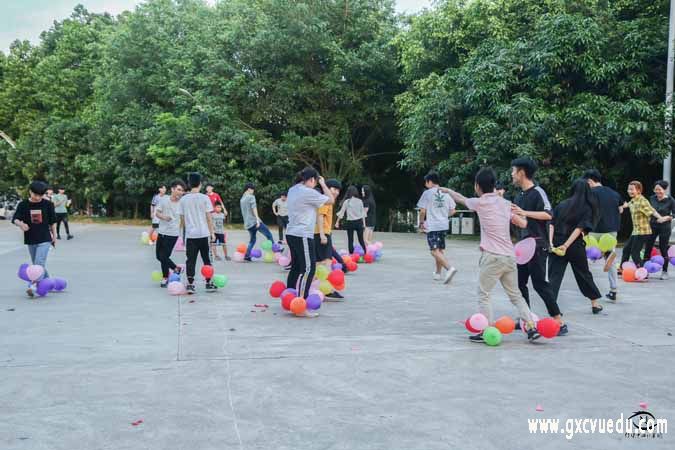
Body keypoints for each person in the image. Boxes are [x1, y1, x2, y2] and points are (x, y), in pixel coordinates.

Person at [438, 168, 540, 343]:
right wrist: (519, 212)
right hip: (509, 256)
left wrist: (447, 190)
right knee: (515, 295)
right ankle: (531, 327)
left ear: (478, 186)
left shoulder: (480, 203)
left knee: (484, 294)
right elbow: (523, 224)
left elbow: (460, 199)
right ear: (494, 185)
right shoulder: (506, 204)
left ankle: (486, 330)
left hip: (492, 256)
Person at [510, 158, 566, 334]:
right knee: (519, 284)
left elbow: (548, 215)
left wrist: (524, 212)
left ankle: (559, 320)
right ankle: (526, 319)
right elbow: (521, 222)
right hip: (522, 247)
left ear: (521, 172)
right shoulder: (519, 196)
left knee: (540, 283)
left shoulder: (538, 192)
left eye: (513, 171)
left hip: (537, 245)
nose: (511, 174)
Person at [548, 179, 604, 315]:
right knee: (583, 274)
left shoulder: (561, 205)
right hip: (574, 245)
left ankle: (552, 308)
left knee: (554, 276)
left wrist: (550, 243)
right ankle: (595, 304)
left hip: (556, 243)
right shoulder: (587, 207)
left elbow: (551, 224)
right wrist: (566, 245)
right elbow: (579, 228)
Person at [286, 167, 334, 310]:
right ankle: (300, 302)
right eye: (316, 181)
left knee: (295, 267)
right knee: (309, 269)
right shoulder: (309, 192)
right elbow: (331, 200)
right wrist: (324, 184)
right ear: (312, 179)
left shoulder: (293, 189)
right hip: (303, 234)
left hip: (291, 233)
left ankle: (289, 296)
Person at [11, 181, 57, 297]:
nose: (38, 197)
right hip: (31, 239)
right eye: (36, 195)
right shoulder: (23, 204)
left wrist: (54, 236)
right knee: (38, 264)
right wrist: (21, 224)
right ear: (30, 191)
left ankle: (33, 286)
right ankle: (49, 282)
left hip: (45, 238)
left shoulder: (48, 204)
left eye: (41, 195)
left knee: (38, 264)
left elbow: (53, 222)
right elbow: (15, 218)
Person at [583, 169, 622, 301]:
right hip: (612, 230)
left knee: (588, 256)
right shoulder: (613, 193)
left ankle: (590, 290)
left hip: (594, 230)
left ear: (589, 181)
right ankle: (613, 290)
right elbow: (621, 208)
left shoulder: (590, 193)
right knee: (610, 259)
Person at [415, 172, 457, 284]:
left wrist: (421, 222)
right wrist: (443, 216)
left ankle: (449, 268)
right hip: (444, 225)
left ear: (429, 182)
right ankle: (438, 274)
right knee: (440, 250)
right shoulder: (446, 193)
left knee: (434, 251)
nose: (425, 184)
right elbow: (453, 211)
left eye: (426, 182)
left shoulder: (427, 193)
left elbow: (423, 210)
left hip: (433, 226)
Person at [179, 173, 216, 294]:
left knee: (191, 260)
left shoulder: (183, 199)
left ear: (189, 184)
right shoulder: (205, 198)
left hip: (191, 235)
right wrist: (212, 232)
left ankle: (190, 284)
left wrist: (187, 231)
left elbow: (182, 219)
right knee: (206, 259)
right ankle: (209, 282)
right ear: (200, 184)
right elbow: (209, 217)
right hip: (204, 234)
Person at [619, 181, 667, 269]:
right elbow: (628, 204)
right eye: (628, 189)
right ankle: (622, 268)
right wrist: (621, 206)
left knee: (635, 253)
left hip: (642, 231)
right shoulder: (633, 200)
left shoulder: (642, 201)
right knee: (626, 249)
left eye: (632, 189)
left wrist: (660, 217)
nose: (629, 191)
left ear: (638, 190)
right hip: (636, 231)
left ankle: (642, 271)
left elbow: (652, 211)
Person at [316, 179, 344, 300]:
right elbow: (320, 216)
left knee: (319, 263)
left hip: (321, 233)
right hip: (322, 234)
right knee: (326, 263)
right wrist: (322, 235)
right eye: (334, 189)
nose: (336, 192)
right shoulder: (325, 200)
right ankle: (326, 290)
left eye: (338, 190)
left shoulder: (326, 200)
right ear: (327, 188)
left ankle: (318, 288)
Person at [155, 179, 186, 286]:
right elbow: (157, 213)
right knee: (159, 256)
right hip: (161, 232)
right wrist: (164, 217)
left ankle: (165, 277)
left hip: (173, 234)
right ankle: (176, 268)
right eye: (178, 189)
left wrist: (181, 233)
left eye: (182, 191)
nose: (180, 192)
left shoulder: (182, 203)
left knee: (163, 256)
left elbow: (183, 220)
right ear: (172, 189)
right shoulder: (164, 200)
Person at [644, 180, 675, 280]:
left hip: (665, 227)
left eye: (660, 190)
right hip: (652, 226)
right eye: (656, 189)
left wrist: (665, 218)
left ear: (665, 190)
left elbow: (674, 214)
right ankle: (645, 271)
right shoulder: (652, 198)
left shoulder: (671, 200)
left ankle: (665, 271)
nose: (657, 192)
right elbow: (648, 210)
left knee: (663, 248)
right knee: (648, 247)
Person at [240, 183, 275, 261]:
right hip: (254, 222)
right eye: (253, 189)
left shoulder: (242, 199)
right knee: (268, 234)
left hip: (248, 223)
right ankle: (275, 250)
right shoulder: (251, 197)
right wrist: (257, 220)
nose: (253, 191)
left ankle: (247, 256)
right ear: (249, 189)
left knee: (252, 240)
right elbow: (254, 208)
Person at [335, 186, 368, 255]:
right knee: (361, 239)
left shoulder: (347, 201)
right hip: (359, 222)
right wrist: (364, 224)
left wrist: (337, 222)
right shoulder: (360, 201)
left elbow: (342, 212)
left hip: (350, 222)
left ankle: (351, 254)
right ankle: (365, 253)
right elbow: (363, 214)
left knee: (350, 240)